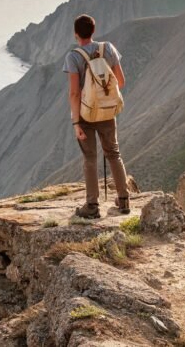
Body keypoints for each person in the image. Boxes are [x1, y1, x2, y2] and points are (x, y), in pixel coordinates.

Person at [63, 14, 131, 218]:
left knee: (90, 158)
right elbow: (120, 81)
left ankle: (92, 206)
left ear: (76, 34)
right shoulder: (108, 49)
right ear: (93, 30)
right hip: (108, 112)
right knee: (114, 154)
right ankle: (124, 200)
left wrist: (76, 122)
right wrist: (104, 98)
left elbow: (74, 93)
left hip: (86, 114)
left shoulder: (73, 57)